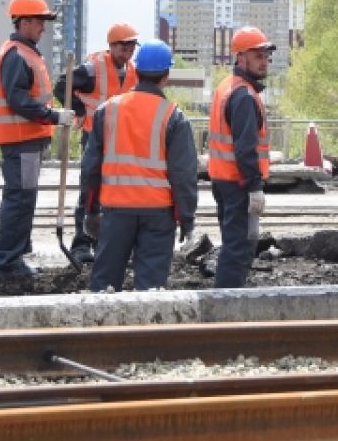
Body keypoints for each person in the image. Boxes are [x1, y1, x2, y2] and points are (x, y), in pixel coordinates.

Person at [79, 39, 198, 292]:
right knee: (150, 291)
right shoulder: (173, 117)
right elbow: (183, 175)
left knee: (104, 288)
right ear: (166, 75)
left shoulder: (107, 111)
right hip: (158, 214)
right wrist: (186, 220)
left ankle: (100, 330)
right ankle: (145, 331)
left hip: (115, 211)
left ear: (137, 71)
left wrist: (89, 211)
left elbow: (90, 168)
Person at [0, 0, 76, 281]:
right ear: (24, 22)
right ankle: (8, 263)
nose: (44, 27)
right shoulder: (16, 55)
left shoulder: (24, 53)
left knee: (23, 198)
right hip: (21, 139)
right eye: (40, 21)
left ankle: (14, 257)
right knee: (20, 200)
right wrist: (54, 117)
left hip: (25, 140)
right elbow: (19, 101)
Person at [53, 22, 140, 263]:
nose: (128, 53)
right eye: (123, 48)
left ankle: (105, 240)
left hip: (119, 140)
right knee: (90, 191)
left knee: (115, 191)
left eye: (131, 48)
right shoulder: (93, 69)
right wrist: (78, 109)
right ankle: (82, 244)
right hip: (94, 137)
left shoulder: (132, 71)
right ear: (112, 46)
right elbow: (62, 85)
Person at [206, 26, 275, 288]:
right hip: (238, 184)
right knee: (239, 247)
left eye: (266, 56)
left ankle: (227, 301)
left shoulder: (227, 87)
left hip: (224, 181)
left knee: (234, 243)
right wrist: (255, 187)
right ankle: (228, 305)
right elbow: (245, 149)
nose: (264, 61)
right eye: (257, 55)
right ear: (240, 57)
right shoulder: (244, 95)